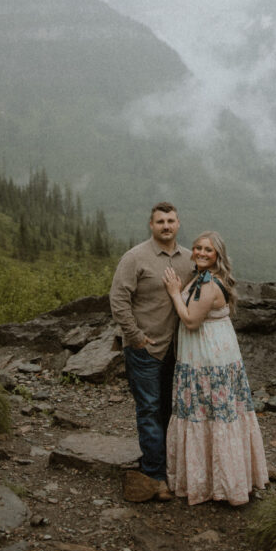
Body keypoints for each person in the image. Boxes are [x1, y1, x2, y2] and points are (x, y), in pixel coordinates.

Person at [163, 231, 268, 506]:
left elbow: (190, 321)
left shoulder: (209, 284)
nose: (200, 252)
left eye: (208, 250)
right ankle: (219, 480)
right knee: (215, 413)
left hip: (207, 356)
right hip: (211, 352)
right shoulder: (203, 277)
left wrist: (174, 292)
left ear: (218, 255)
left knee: (209, 412)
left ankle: (220, 484)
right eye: (197, 248)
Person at [110, 201, 192, 500]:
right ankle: (155, 476)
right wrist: (135, 337)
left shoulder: (188, 259)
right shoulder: (135, 258)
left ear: (178, 224)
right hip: (146, 349)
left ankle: (168, 467)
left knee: (170, 410)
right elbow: (118, 299)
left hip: (178, 350)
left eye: (171, 220)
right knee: (148, 410)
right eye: (160, 221)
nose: (166, 226)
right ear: (151, 225)